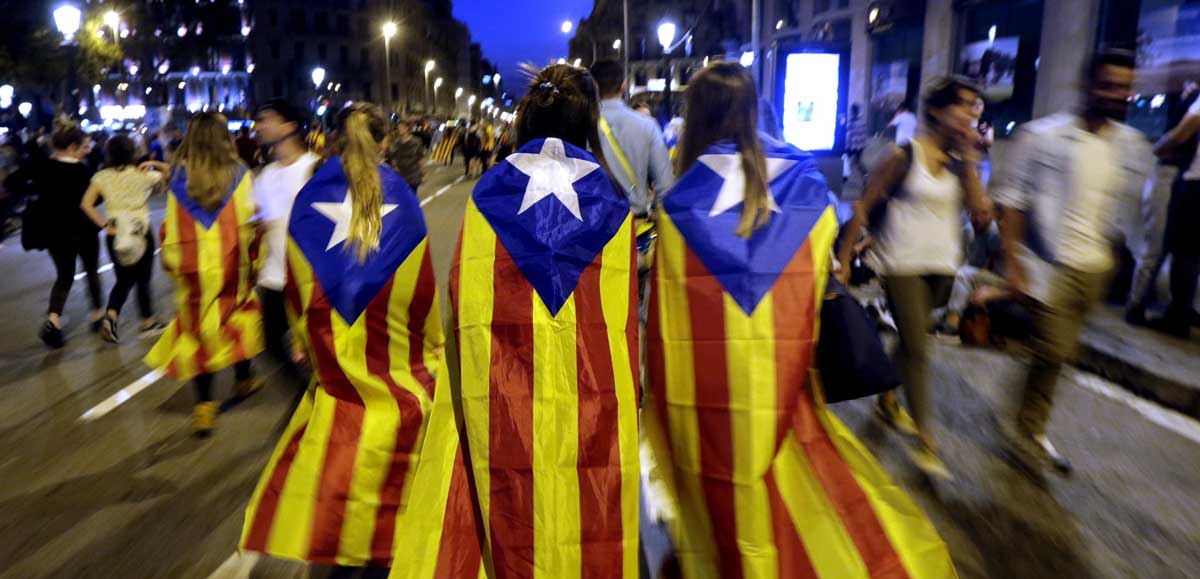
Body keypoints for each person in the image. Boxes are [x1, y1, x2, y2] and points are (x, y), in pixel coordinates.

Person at [646, 61, 956, 578]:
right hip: (783, 373)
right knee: (794, 478)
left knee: (720, 485)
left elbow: (670, 317)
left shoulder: (682, 199)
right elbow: (813, 282)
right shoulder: (805, 183)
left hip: (709, 387)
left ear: (695, 116)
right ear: (752, 110)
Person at [241, 102, 482, 578]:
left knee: (340, 466)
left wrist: (304, 343)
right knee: (395, 478)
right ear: (385, 141)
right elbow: (421, 289)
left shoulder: (312, 196)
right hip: (392, 357)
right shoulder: (401, 197)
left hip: (337, 357)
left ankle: (345, 542)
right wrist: (430, 346)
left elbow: (297, 283)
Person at [450, 64, 640, 578]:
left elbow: (465, 301)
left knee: (519, 512)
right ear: (588, 121)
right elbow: (622, 317)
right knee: (590, 512)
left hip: (507, 396)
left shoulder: (489, 194)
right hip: (594, 390)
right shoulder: (611, 197)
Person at [995, 49, 1152, 475]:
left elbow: (1124, 208)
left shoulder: (1130, 145)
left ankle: (1024, 417)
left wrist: (1116, 257)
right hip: (1053, 264)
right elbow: (1010, 202)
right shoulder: (1043, 136)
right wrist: (1014, 261)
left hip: (1095, 267)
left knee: (1053, 354)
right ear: (1086, 86)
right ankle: (1029, 431)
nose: (1115, 93)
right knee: (1055, 352)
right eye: (1106, 84)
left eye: (1122, 86)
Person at [836, 77, 992, 479]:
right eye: (962, 105)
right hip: (901, 263)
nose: (969, 114)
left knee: (911, 339)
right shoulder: (903, 154)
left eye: (974, 107)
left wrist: (971, 161)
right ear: (937, 110)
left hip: (944, 267)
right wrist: (843, 257)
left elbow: (981, 216)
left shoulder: (962, 165)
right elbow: (865, 205)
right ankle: (927, 440)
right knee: (919, 350)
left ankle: (887, 397)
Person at [144, 112, 264, 436]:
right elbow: (250, 221)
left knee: (198, 331)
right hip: (230, 264)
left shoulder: (181, 177)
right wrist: (254, 258)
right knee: (237, 320)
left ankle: (204, 408)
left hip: (194, 267)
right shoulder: (240, 173)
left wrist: (173, 264)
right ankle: (243, 380)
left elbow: (170, 227)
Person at [6, 121, 103, 348]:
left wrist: (37, 193)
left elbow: (12, 182)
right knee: (91, 272)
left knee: (64, 276)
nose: (88, 150)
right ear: (71, 146)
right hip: (84, 229)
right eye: (84, 147)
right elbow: (96, 199)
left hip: (56, 232)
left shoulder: (43, 166)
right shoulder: (84, 171)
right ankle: (98, 316)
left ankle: (54, 321)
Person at [250, 98, 320, 386]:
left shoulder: (314, 169)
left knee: (319, 343)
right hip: (275, 277)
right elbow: (258, 221)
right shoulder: (264, 175)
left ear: (289, 127)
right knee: (269, 340)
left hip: (312, 277)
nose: (259, 126)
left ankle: (324, 399)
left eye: (267, 118)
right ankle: (307, 390)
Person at [79, 134, 169, 343]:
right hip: (140, 231)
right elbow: (169, 173)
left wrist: (104, 225)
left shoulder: (101, 176)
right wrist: (153, 162)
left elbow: (86, 204)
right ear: (133, 153)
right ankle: (147, 321)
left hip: (115, 232)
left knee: (123, 278)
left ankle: (111, 315)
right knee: (143, 278)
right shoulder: (143, 175)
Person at [1127, 81, 1199, 327]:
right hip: (1171, 175)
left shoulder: (1193, 95)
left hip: (1181, 178)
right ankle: (1136, 305)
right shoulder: (1194, 97)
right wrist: (1159, 150)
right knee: (1159, 245)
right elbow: (1181, 135)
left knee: (1181, 251)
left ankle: (1178, 309)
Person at [590, 58, 676, 220]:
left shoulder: (582, 125)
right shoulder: (648, 126)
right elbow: (665, 185)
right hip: (635, 227)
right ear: (623, 85)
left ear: (592, 86)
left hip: (595, 229)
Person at [1147, 82, 1200, 338]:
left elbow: (1182, 133)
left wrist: (1156, 149)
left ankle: (1177, 319)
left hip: (1195, 184)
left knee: (1184, 253)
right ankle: (1189, 310)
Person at [385, 120, 425, 191]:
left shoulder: (416, 142)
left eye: (402, 127)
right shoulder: (395, 144)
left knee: (412, 196)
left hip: (413, 174)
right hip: (401, 175)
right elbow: (393, 159)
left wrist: (422, 171)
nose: (400, 129)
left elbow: (420, 157)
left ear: (407, 128)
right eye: (399, 127)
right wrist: (394, 167)